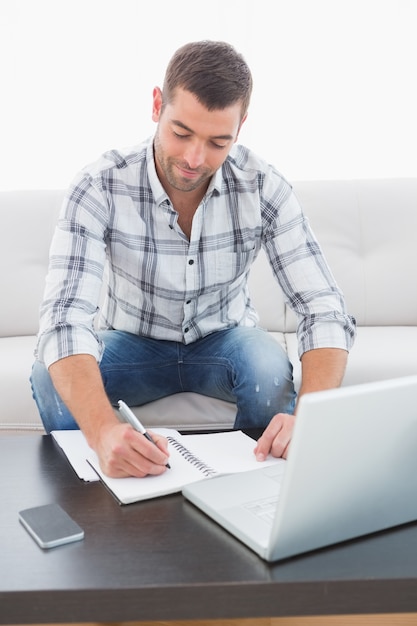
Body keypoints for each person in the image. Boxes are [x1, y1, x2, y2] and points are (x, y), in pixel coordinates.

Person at [31, 40, 356, 478]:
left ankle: (259, 492)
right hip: (129, 342)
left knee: (267, 365)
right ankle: (98, 486)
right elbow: (64, 319)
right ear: (156, 105)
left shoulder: (264, 186)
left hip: (225, 340)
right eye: (181, 133)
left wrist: (309, 418)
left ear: (240, 129)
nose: (193, 159)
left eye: (218, 142)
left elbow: (323, 308)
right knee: (48, 375)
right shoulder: (98, 186)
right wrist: (104, 430)